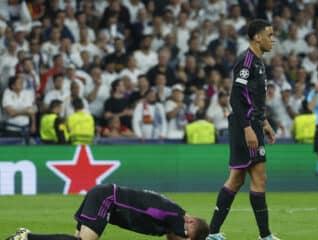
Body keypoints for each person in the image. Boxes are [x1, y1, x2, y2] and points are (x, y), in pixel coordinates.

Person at [206, 19, 279, 240]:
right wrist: (248, 128)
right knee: (256, 178)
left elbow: (255, 98)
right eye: (269, 35)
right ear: (257, 37)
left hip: (253, 124)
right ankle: (264, 235)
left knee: (238, 178)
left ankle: (213, 233)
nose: (272, 39)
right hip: (244, 125)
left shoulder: (258, 61)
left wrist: (264, 123)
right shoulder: (246, 61)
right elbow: (235, 98)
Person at [5, 184, 209, 240]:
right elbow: (180, 234)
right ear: (189, 222)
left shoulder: (171, 217)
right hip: (107, 199)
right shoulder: (175, 216)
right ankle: (25, 237)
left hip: (104, 196)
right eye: (187, 236)